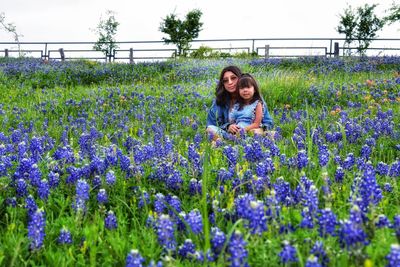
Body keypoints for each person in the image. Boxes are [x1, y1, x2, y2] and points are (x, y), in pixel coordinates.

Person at [206, 66, 273, 140]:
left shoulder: (255, 100)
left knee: (256, 132)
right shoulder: (219, 100)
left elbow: (268, 122)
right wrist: (228, 127)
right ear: (223, 84)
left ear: (241, 79)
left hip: (251, 131)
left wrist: (259, 129)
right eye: (225, 80)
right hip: (231, 133)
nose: (230, 82)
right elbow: (211, 124)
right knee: (210, 129)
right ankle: (224, 141)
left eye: (233, 78)